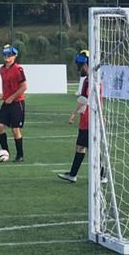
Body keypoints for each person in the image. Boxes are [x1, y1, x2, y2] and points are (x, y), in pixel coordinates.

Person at [57, 50, 91, 182]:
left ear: (86, 65)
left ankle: (101, 175)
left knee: (86, 147)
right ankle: (73, 174)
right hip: (88, 118)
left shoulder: (89, 81)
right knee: (82, 147)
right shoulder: (93, 79)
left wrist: (73, 113)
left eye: (81, 66)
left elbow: (84, 99)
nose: (80, 69)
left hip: (88, 118)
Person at [0, 44, 27, 162]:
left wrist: (12, 97)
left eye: (9, 54)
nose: (6, 56)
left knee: (15, 130)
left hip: (17, 102)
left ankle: (20, 155)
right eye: (5, 54)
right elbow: (6, 85)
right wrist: (4, 96)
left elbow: (24, 87)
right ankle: (5, 152)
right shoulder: (2, 69)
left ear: (15, 56)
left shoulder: (18, 69)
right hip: (7, 102)